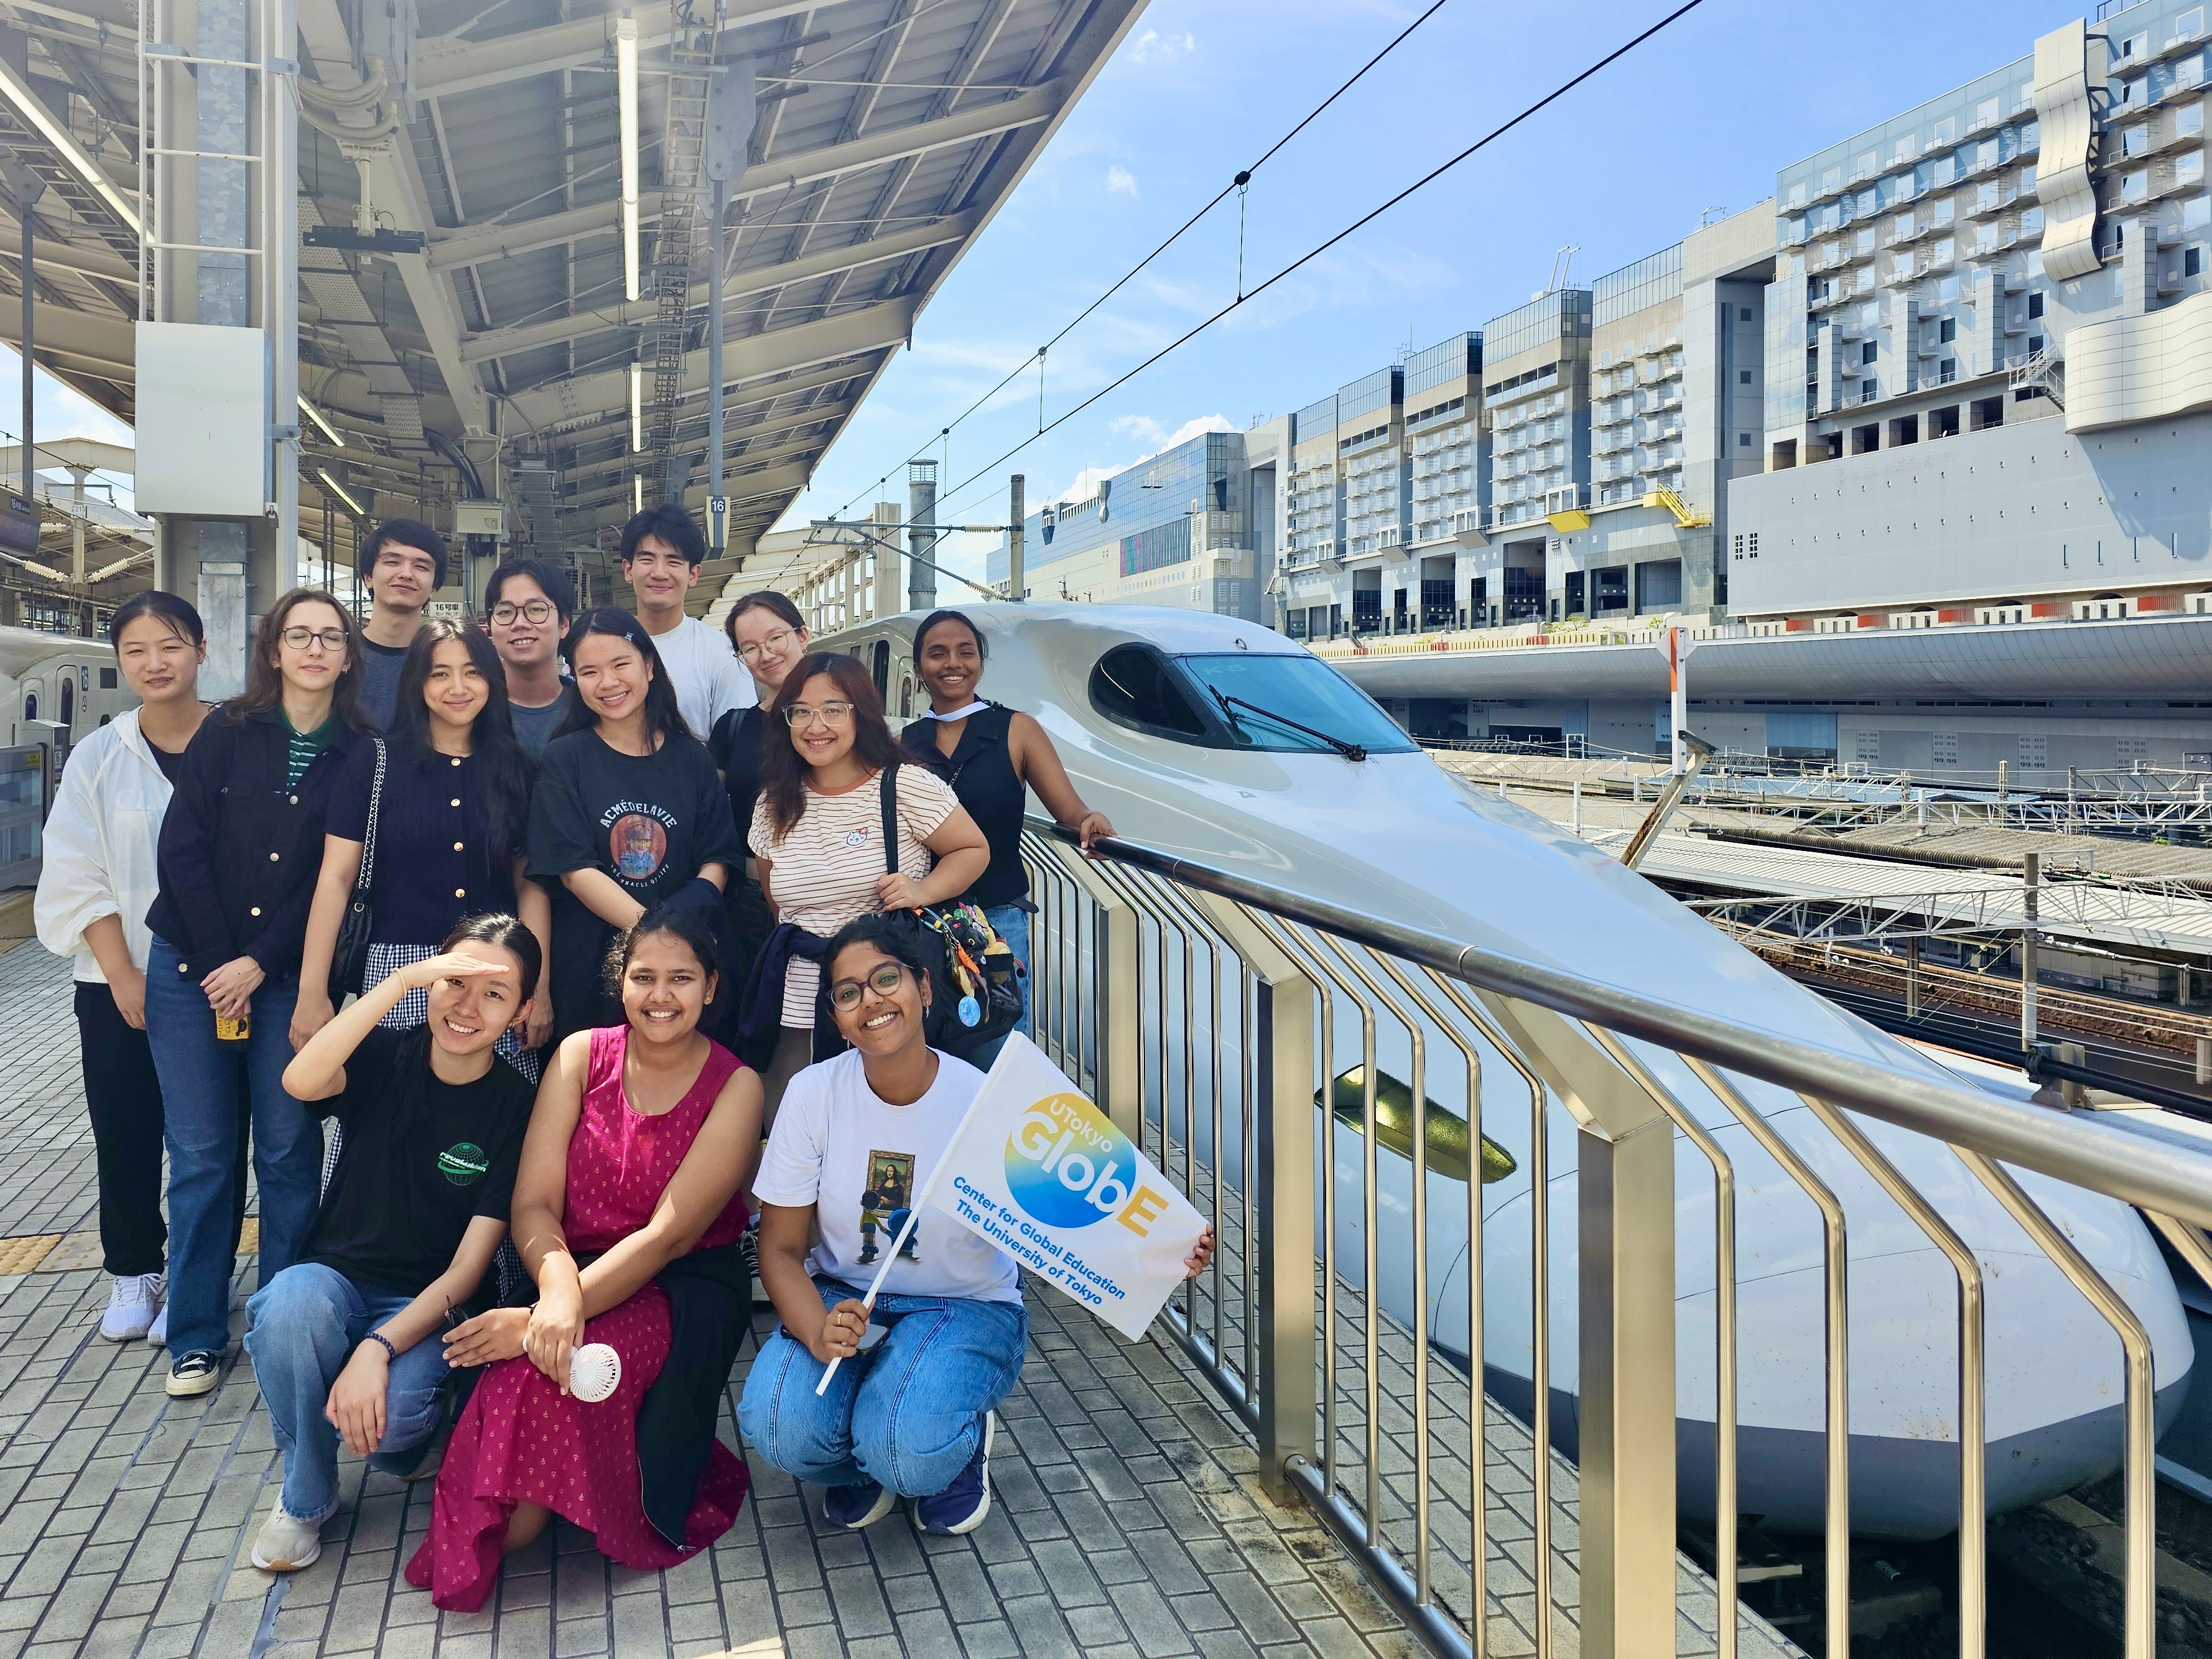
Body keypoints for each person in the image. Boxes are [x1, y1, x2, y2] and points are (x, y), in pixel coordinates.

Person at [738, 917, 1211, 1533]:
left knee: (906, 1450)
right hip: (844, 1295)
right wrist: (815, 1327)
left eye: (887, 978)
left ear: (925, 989)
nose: (871, 1000)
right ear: (835, 1017)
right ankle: (867, 1459)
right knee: (781, 1429)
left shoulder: (989, 1104)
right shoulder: (812, 1094)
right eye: (848, 992)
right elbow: (778, 1248)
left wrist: (1162, 1244)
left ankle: (945, 1446)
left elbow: (1085, 1211)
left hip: (962, 1306)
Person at [403, 908, 763, 1613]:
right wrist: (556, 1294)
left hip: (680, 1287)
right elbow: (534, 1204)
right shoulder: (578, 1056)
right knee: (528, 1358)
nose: (661, 996)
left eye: (682, 979)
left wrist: (546, 1315)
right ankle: (517, 1504)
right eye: (644, 977)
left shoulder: (736, 1085)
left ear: (711, 988)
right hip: (565, 1264)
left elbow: (667, 1237)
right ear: (620, 983)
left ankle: (552, 1501)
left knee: (561, 1357)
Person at [244, 917, 541, 1573]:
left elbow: (468, 1270)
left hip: (430, 1304)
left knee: (394, 1425)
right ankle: (305, 1497)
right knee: (288, 1307)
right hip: (337, 1283)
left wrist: (377, 1349)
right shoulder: (384, 1056)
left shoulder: (517, 1105)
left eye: (494, 994)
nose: (466, 1007)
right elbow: (300, 1080)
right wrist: (402, 982)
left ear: (522, 1010)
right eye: (453, 982)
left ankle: (415, 1445)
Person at [144, 589, 373, 1398]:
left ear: (349, 655)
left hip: (281, 984)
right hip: (188, 970)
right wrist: (220, 964)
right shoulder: (226, 732)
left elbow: (329, 880)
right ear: (273, 649)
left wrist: (258, 963)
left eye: (331, 636)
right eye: (298, 634)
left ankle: (281, 1319)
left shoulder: (358, 751)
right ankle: (197, 1332)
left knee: (286, 1152)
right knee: (203, 1156)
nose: (315, 647)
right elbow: (182, 849)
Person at [34, 592, 214, 1346]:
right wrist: (122, 975)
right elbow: (78, 869)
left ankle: (198, 1279)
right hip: (119, 983)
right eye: (136, 651)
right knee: (127, 1127)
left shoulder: (236, 743)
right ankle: (133, 1268)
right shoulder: (99, 756)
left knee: (206, 1141)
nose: (154, 663)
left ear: (202, 651)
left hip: (219, 982)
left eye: (170, 646)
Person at [295, 620, 554, 1072]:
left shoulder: (517, 769)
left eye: (473, 672)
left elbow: (530, 884)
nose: (458, 687)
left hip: (496, 978)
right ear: (417, 683)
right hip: (397, 974)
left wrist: (539, 986)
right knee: (391, 1113)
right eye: (439, 673)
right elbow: (336, 878)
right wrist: (312, 992)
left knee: (498, 1124)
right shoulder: (375, 762)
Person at [740, 651, 988, 1118]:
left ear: (862, 715)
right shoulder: (773, 804)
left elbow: (973, 849)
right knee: (801, 1120)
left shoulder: (904, 786)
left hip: (887, 995)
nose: (817, 725)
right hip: (801, 999)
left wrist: (921, 891)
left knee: (896, 1120)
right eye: (801, 711)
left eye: (834, 709)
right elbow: (778, 906)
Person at [899, 609, 1117, 1047]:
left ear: (980, 660)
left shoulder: (1017, 730)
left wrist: (1088, 820)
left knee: (999, 1046)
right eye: (937, 654)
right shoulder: (906, 741)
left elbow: (1067, 807)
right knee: (928, 1045)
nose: (953, 663)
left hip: (998, 920)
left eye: (966, 652)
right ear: (920, 668)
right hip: (924, 917)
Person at [529, 608, 743, 1041]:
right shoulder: (564, 758)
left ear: (648, 665)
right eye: (589, 671)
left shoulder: (693, 759)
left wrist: (672, 947)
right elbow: (574, 871)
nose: (607, 682)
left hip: (687, 968)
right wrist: (656, 940)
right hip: (591, 970)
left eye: (620, 664)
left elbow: (718, 859)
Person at [707, 590, 809, 976]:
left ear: (802, 635)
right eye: (749, 648)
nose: (765, 654)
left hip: (833, 891)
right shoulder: (733, 727)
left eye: (775, 639)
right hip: (749, 898)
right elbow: (714, 815)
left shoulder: (842, 720)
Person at [618, 504, 753, 743]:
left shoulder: (720, 653)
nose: (659, 573)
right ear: (628, 570)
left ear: (694, 574)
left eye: (674, 561)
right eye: (647, 559)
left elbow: (736, 744)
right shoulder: (606, 645)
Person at [355, 520, 448, 730]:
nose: (406, 574)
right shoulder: (340, 655)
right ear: (368, 577)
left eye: (421, 566)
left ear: (434, 587)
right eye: (393, 562)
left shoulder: (444, 662)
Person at [484, 559, 580, 757]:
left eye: (536, 609)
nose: (520, 623)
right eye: (504, 612)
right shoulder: (473, 710)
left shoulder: (589, 710)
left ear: (563, 625)